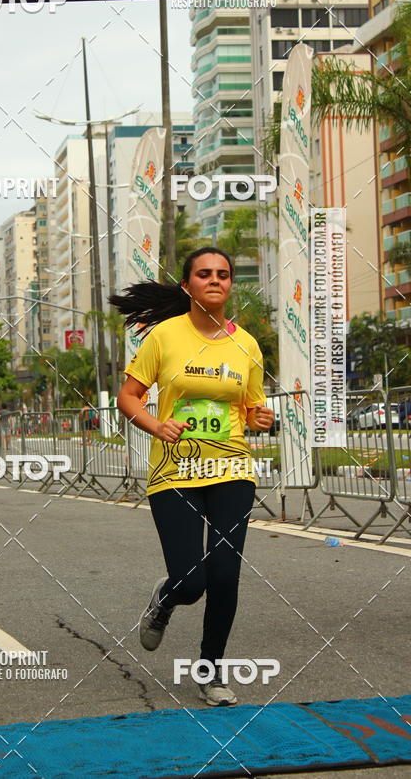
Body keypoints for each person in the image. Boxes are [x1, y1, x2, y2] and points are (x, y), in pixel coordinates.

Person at [111, 247, 274, 707]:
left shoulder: (247, 344)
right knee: (191, 580)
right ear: (188, 286)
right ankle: (165, 600)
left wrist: (261, 417)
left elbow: (252, 405)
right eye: (205, 274)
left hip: (231, 469)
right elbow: (129, 396)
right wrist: (156, 425)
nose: (216, 280)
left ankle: (211, 670)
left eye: (223, 274)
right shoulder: (164, 337)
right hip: (175, 470)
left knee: (225, 575)